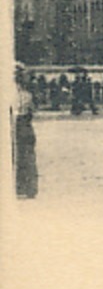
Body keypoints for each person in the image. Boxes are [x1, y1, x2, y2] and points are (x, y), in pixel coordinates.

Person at [13, 64, 38, 199]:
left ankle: (20, 187)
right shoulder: (28, 95)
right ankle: (29, 188)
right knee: (27, 157)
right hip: (26, 126)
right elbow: (32, 112)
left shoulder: (11, 95)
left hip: (18, 125)